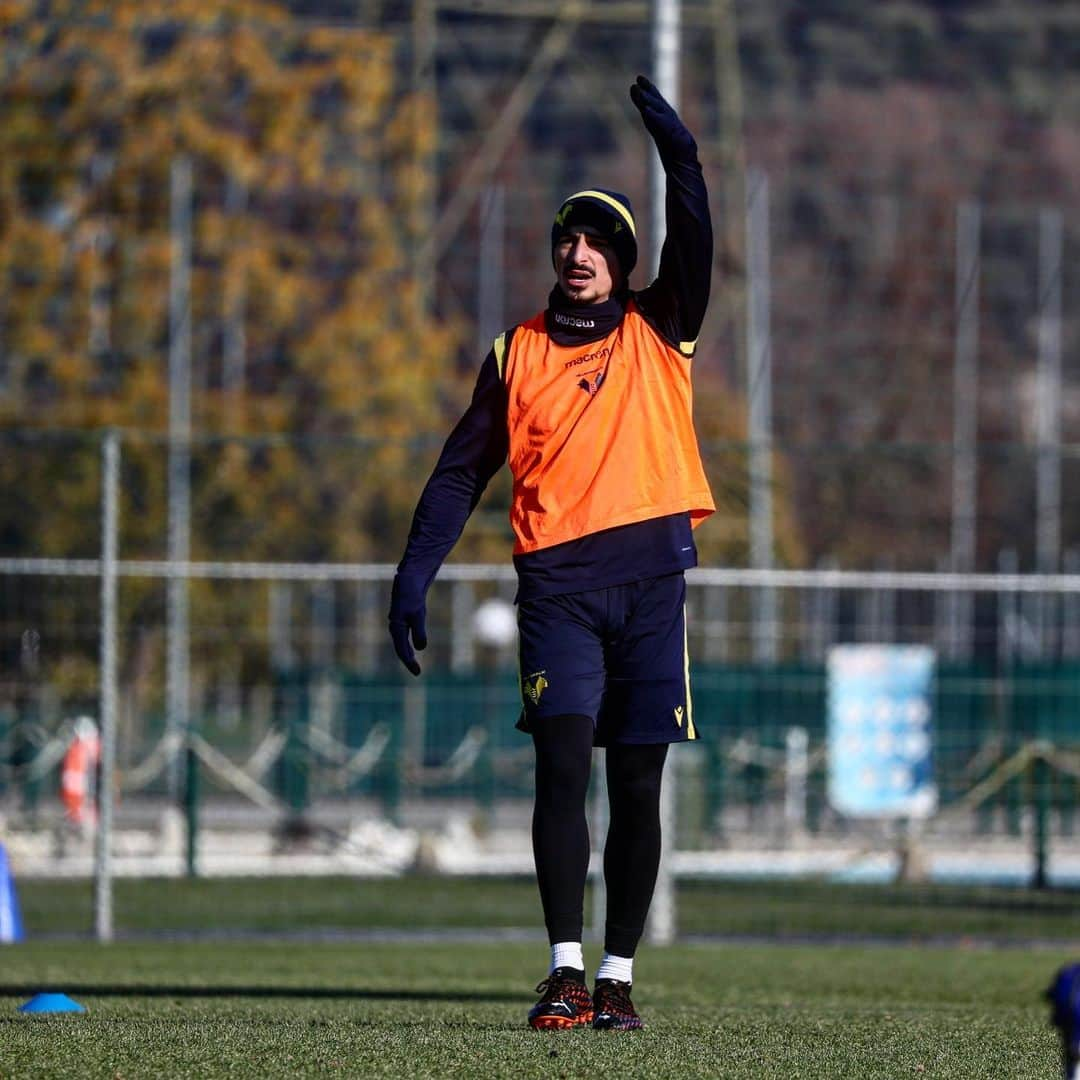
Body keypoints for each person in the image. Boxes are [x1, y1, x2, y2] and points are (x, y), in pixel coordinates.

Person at [388, 74, 715, 1031]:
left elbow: (696, 233)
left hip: (652, 585)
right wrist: (414, 571)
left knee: (638, 781)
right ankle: (565, 972)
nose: (577, 253)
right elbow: (458, 475)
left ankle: (618, 979)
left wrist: (679, 155)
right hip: (559, 592)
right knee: (564, 764)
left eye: (596, 241)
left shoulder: (663, 328)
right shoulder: (517, 351)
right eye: (566, 239)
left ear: (623, 261)